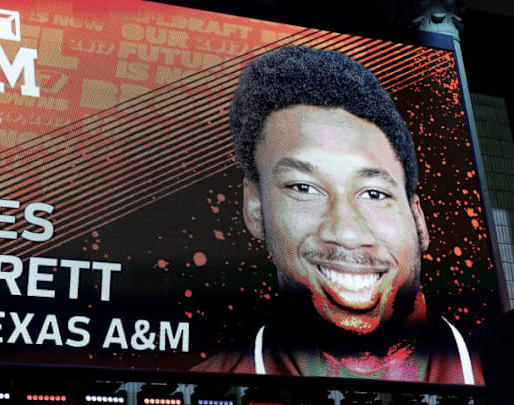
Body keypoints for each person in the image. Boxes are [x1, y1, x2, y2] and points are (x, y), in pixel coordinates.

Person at [193, 46, 483, 384]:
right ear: (255, 208)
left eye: (375, 194)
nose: (345, 232)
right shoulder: (211, 383)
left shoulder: (503, 374)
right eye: (304, 188)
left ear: (418, 220)